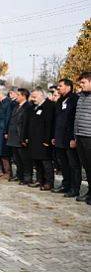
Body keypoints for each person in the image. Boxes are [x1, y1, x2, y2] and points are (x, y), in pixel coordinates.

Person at [52, 79, 80, 197]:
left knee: (73, 164)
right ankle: (66, 184)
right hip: (59, 137)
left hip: (69, 139)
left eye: (61, 86)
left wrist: (74, 138)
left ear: (68, 87)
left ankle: (75, 188)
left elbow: (74, 120)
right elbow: (57, 120)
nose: (58, 88)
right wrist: (54, 136)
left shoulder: (74, 99)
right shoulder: (60, 100)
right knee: (63, 163)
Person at [24, 88, 56, 190]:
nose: (32, 99)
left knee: (46, 162)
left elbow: (49, 124)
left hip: (44, 140)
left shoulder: (49, 106)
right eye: (32, 97)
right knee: (37, 161)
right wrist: (27, 137)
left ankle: (49, 182)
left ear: (42, 95)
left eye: (35, 97)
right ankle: (39, 180)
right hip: (34, 139)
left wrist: (47, 140)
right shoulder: (34, 107)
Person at [7, 88, 32, 184]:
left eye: (18, 95)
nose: (16, 96)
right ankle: (19, 175)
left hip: (21, 136)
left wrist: (25, 137)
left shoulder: (28, 107)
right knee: (17, 158)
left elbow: (26, 123)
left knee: (24, 159)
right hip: (13, 136)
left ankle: (27, 178)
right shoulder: (16, 106)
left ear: (23, 96)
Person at [74, 72, 91, 205]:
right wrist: (75, 135)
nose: (81, 85)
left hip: (89, 137)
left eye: (83, 82)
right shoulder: (81, 97)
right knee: (86, 167)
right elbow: (77, 118)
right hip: (80, 136)